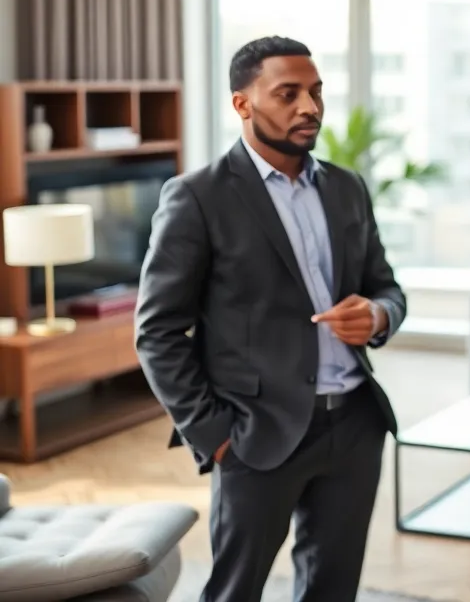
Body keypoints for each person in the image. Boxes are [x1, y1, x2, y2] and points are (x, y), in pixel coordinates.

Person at [135, 36, 406, 602]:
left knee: (333, 590)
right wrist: (214, 436)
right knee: (237, 591)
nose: (309, 106)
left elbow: (386, 287)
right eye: (288, 93)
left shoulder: (346, 188)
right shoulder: (197, 197)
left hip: (354, 425)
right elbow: (157, 333)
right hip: (255, 436)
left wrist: (377, 316)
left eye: (315, 91)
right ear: (243, 104)